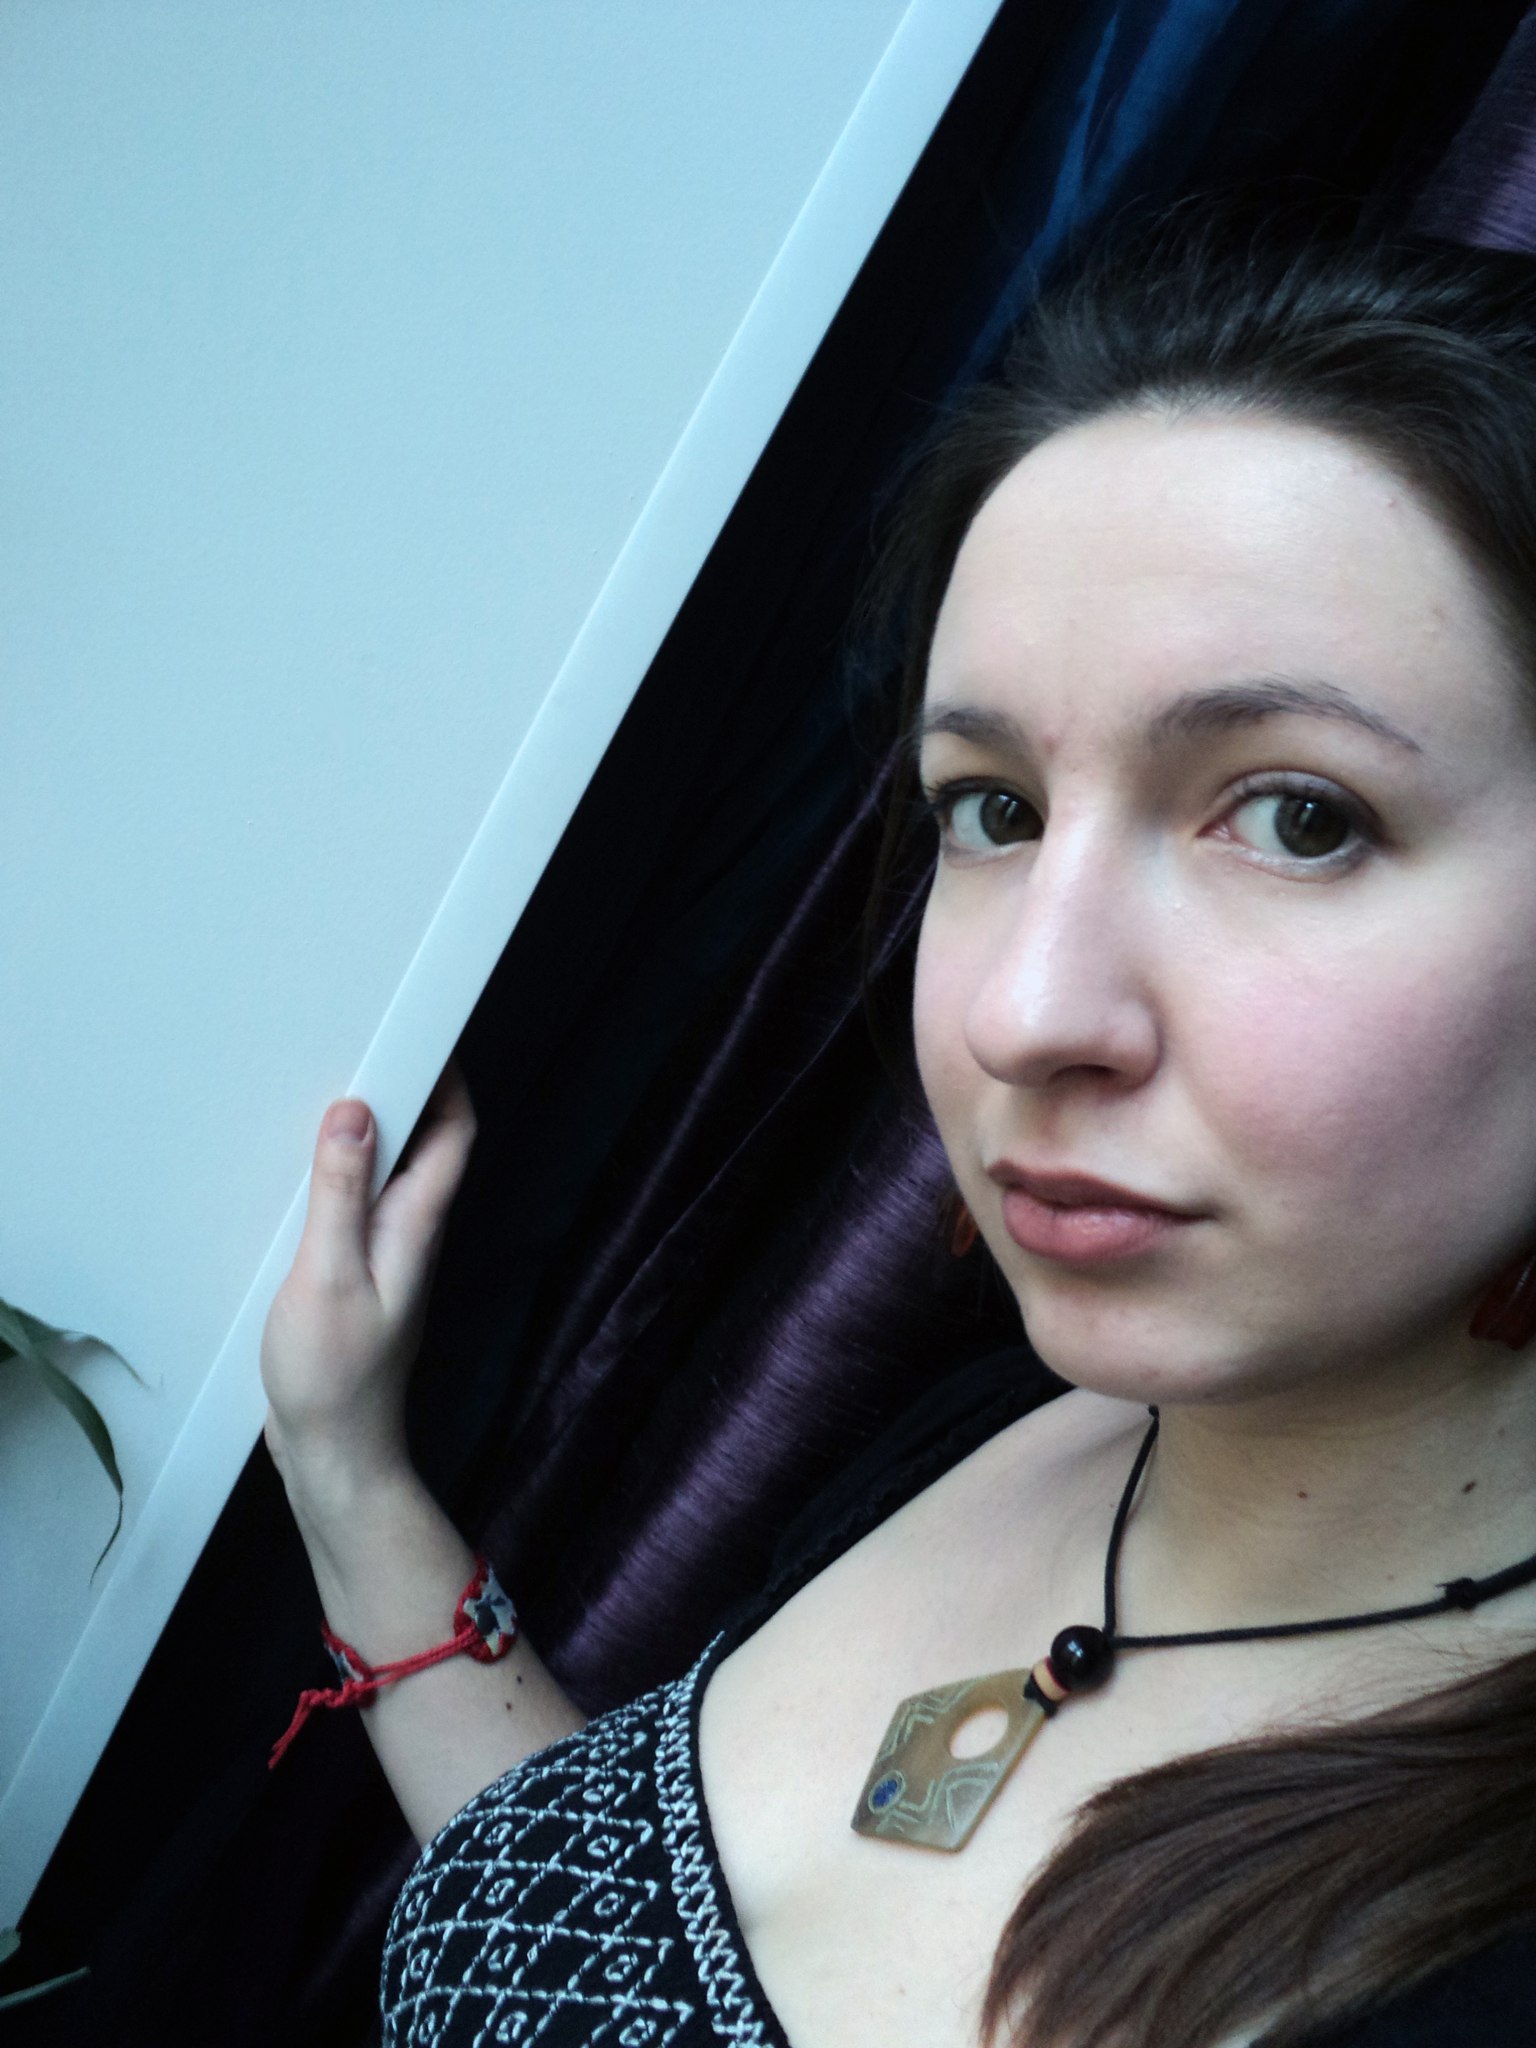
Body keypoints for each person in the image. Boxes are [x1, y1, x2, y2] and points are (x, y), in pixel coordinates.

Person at [261, 214, 1536, 2048]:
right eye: (992, 808)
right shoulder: (1019, 1427)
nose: (1024, 1011)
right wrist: (349, 1477)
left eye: (1298, 818)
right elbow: (597, 1976)